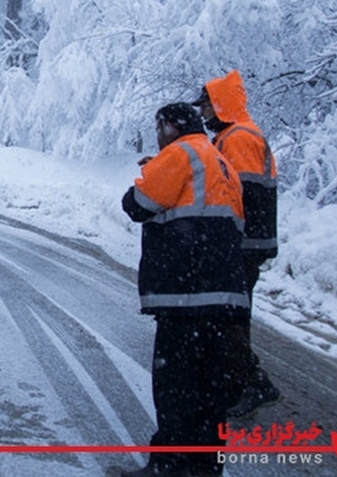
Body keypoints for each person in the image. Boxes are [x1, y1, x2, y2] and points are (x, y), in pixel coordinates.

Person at [120, 103, 249, 477]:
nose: (158, 135)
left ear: (171, 126)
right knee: (211, 387)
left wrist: (152, 172)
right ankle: (206, 465)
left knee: (176, 383)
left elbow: (138, 204)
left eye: (159, 128)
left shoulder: (180, 154)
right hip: (223, 294)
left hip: (186, 292)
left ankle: (170, 463)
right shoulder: (222, 162)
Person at [194, 70, 282, 417]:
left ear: (221, 104)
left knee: (228, 317)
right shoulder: (231, 136)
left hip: (243, 244)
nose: (203, 113)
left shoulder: (240, 138)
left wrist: (225, 240)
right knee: (229, 314)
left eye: (206, 106)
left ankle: (253, 383)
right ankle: (234, 382)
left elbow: (240, 196)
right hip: (244, 243)